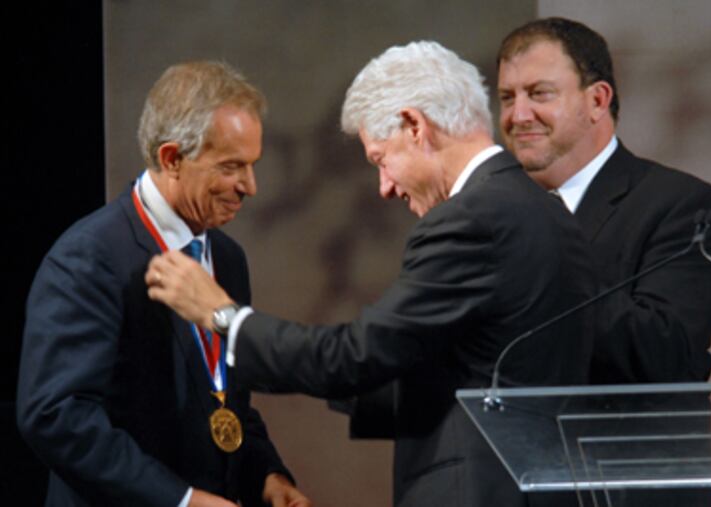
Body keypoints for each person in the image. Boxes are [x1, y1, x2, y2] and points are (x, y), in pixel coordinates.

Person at [146, 41, 596, 507]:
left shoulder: (472, 219)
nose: (384, 188)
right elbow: (475, 374)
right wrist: (342, 379)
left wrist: (223, 318)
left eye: (381, 159)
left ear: (414, 126)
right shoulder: (549, 210)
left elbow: (356, 356)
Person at [17, 61, 311, 507]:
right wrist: (181, 500)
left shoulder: (228, 258)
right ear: (172, 158)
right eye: (232, 166)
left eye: (252, 165)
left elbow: (225, 401)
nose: (250, 186)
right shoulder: (89, 256)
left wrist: (268, 474)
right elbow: (57, 416)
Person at [496, 17, 711, 506]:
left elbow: (664, 350)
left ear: (597, 100)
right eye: (506, 97)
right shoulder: (494, 214)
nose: (518, 114)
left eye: (539, 93)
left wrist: (536, 266)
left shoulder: (682, 204)